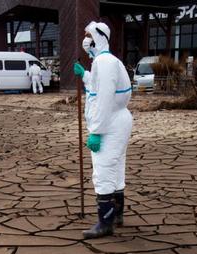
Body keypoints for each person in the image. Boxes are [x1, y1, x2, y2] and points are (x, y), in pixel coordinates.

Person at [73, 21, 133, 239]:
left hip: (110, 123)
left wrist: (96, 130)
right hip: (116, 120)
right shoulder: (103, 61)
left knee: (104, 170)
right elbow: (98, 90)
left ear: (99, 37)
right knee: (115, 169)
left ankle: (105, 222)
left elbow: (105, 99)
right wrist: (85, 76)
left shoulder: (105, 62)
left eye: (88, 35)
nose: (85, 40)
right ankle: (116, 215)